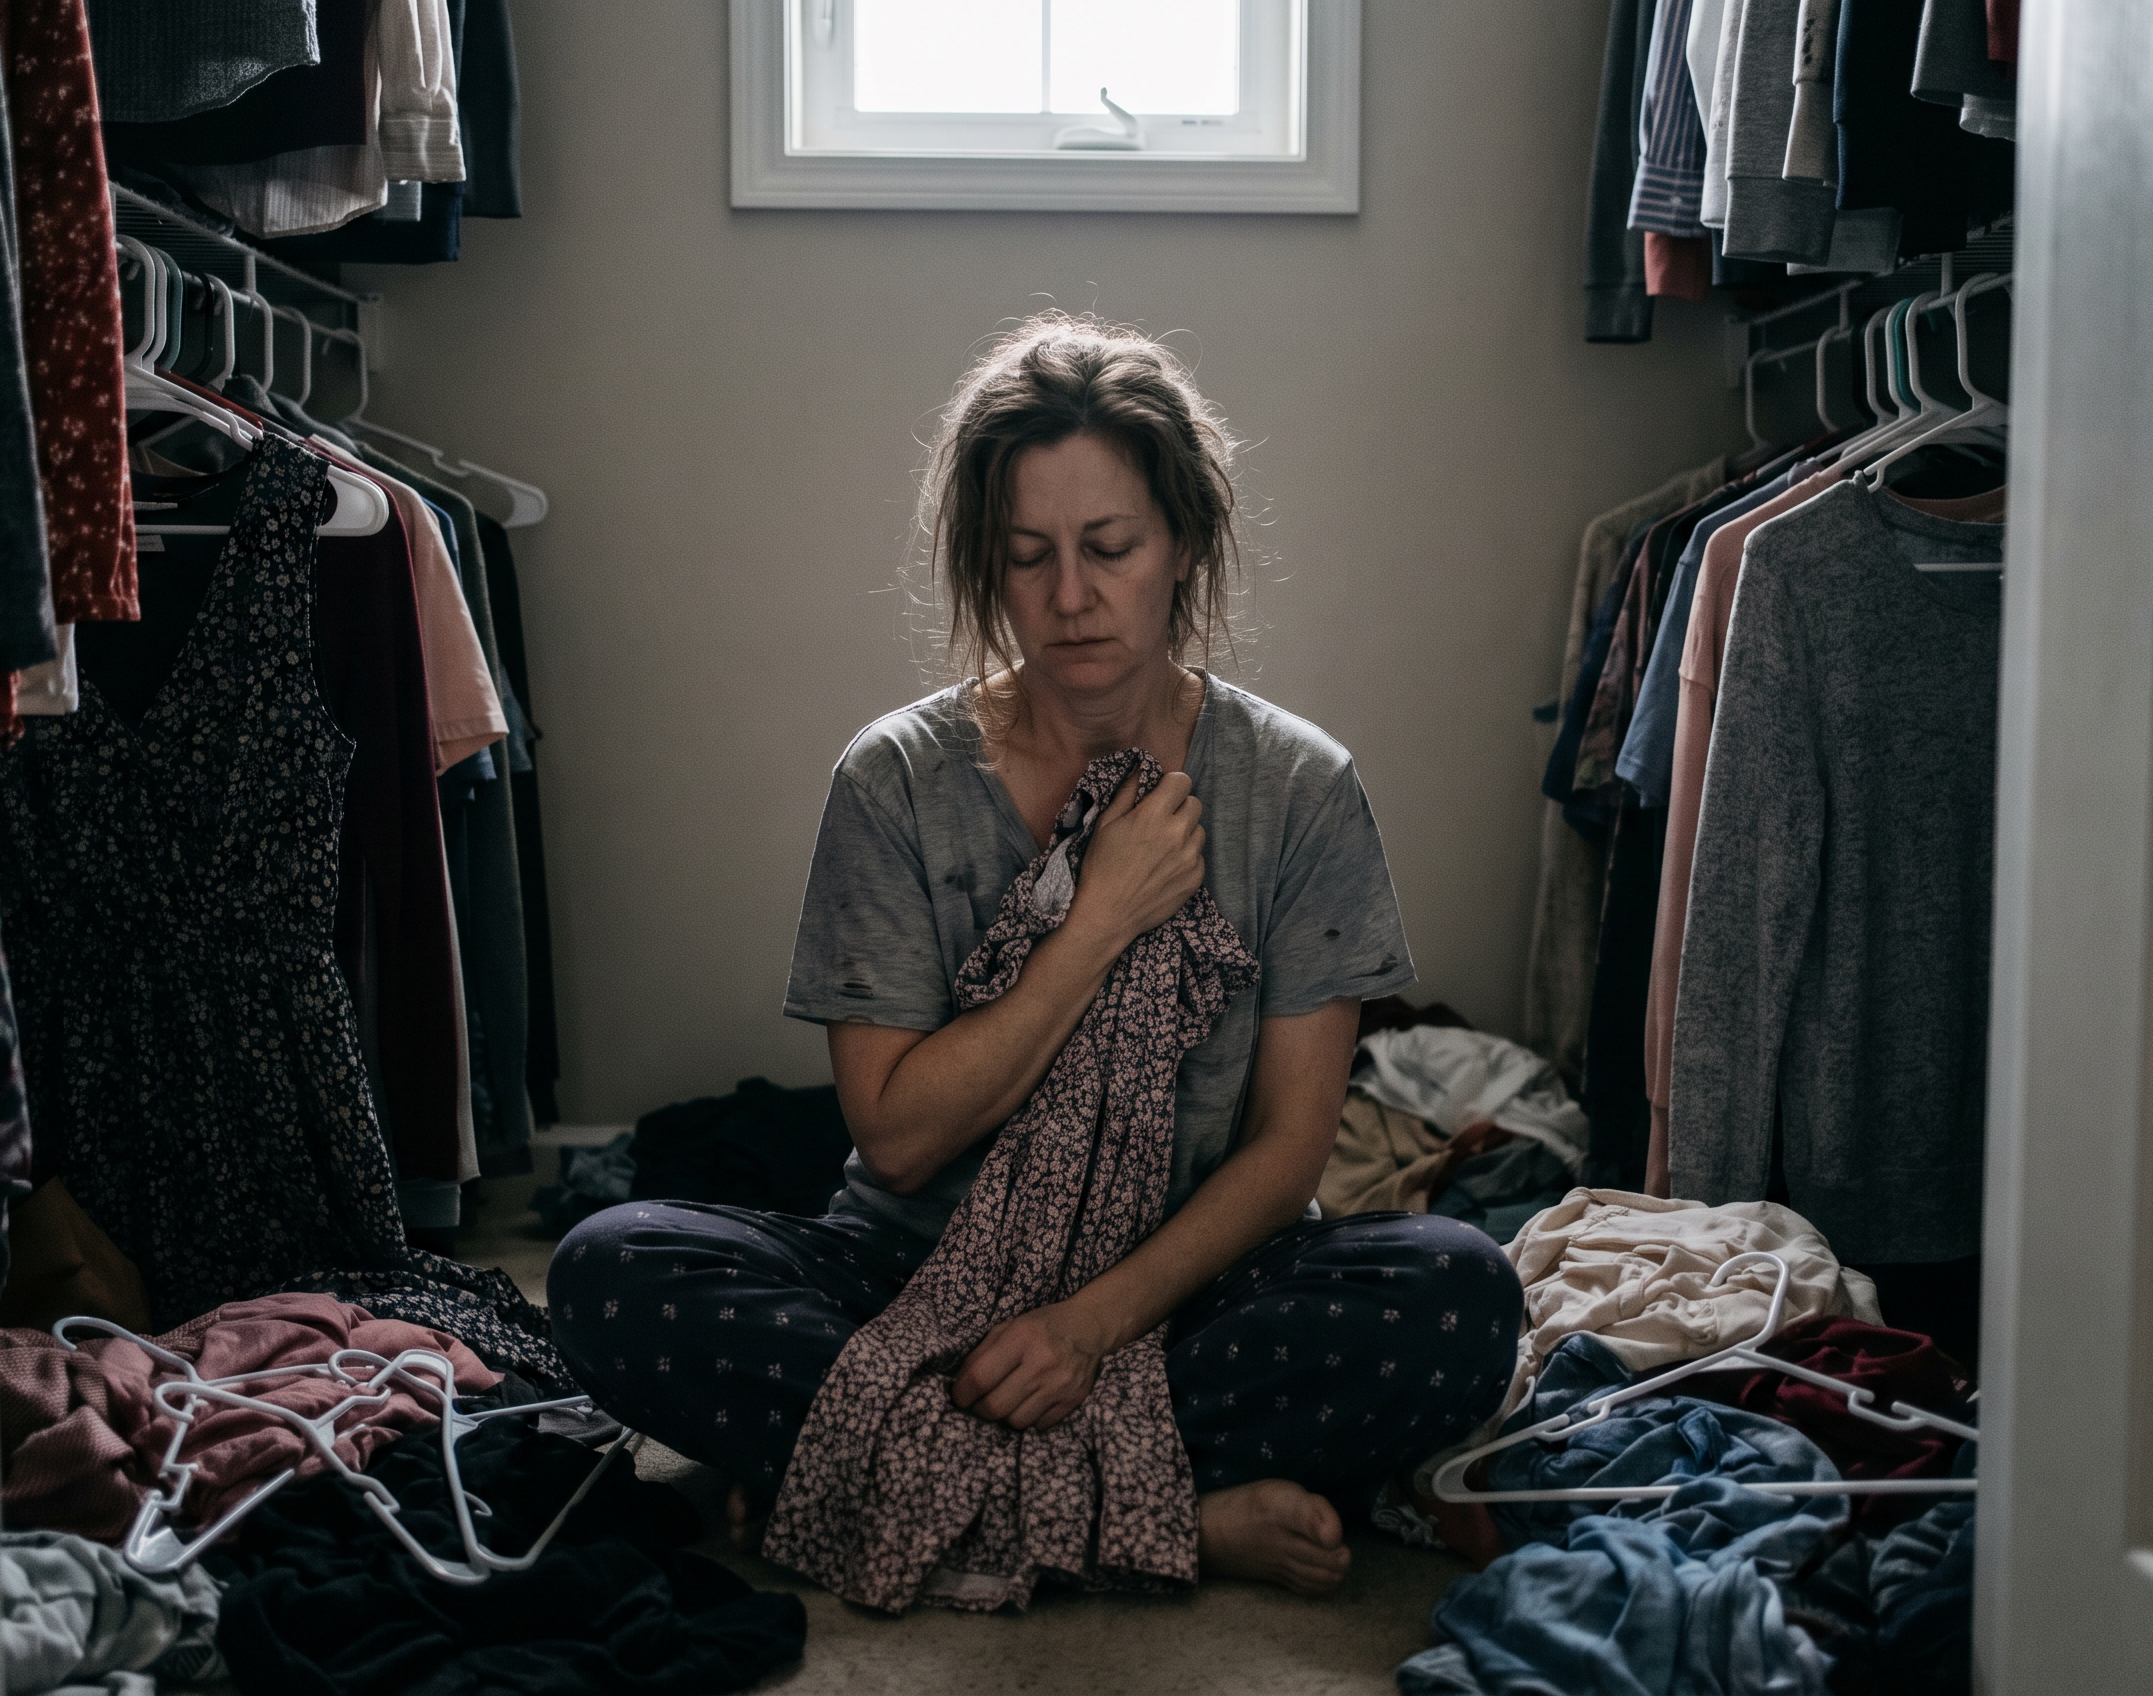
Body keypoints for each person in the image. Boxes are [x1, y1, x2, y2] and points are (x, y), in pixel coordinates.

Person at [550, 315, 1521, 1596]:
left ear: (1182, 543)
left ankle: (883, 1473)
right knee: (607, 1272)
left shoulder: (1297, 788)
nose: (1070, 597)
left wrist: (1085, 1327)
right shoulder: (893, 780)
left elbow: (1290, 1147)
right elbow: (897, 1140)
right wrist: (1096, 922)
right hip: (909, 1278)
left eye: (1109, 548)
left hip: (1182, 1291)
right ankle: (1177, 1517)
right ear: (987, 568)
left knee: (1458, 1291)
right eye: (1027, 556)